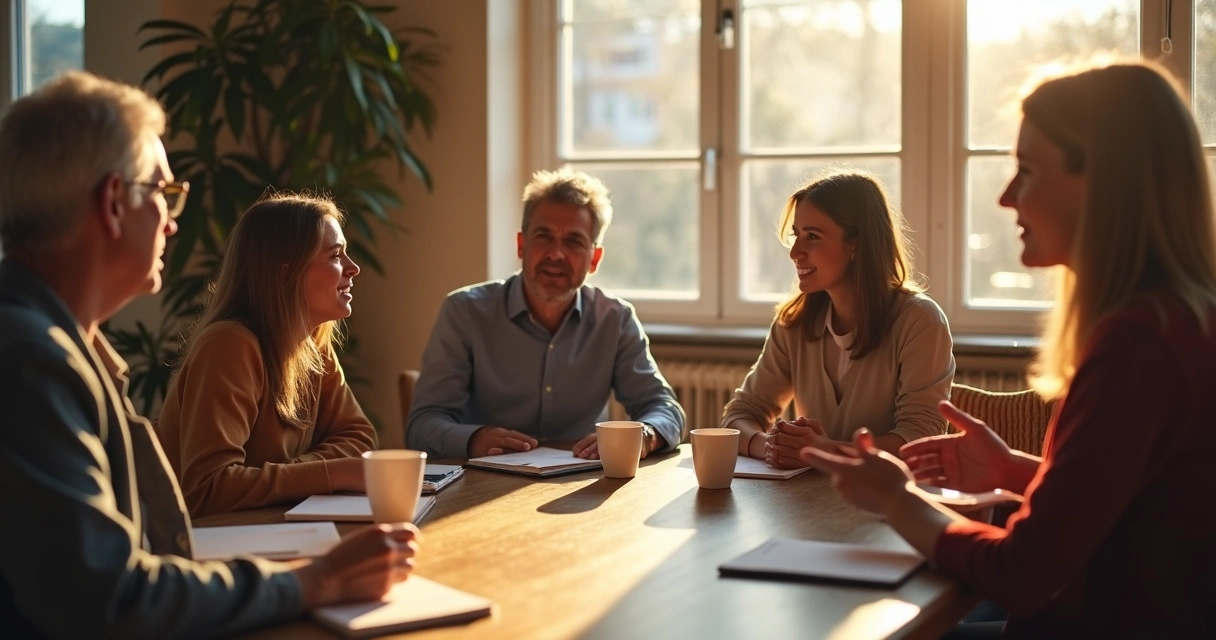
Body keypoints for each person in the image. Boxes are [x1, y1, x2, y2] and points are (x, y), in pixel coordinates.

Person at [800, 61, 1216, 638]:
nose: (1005, 197)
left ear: (1104, 183)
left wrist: (895, 500)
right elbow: (1141, 509)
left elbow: (1021, 572)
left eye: (1026, 171)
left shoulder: (1138, 348)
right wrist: (1018, 472)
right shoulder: (1182, 320)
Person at [0, 72, 417, 637]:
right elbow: (109, 598)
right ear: (114, 203)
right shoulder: (32, 361)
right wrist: (311, 582)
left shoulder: (64, 347)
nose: (173, 222)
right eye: (164, 194)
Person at [406, 168, 685, 460]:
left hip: (576, 487)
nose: (556, 254)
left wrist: (645, 435)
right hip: (479, 483)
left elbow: (665, 409)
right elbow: (421, 427)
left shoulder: (615, 319)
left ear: (595, 259)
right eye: (543, 236)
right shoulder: (465, 312)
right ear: (521, 245)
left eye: (574, 241)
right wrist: (474, 439)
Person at [155, 194, 377, 518]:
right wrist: (332, 473)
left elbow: (360, 438)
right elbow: (207, 487)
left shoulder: (312, 343)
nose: (354, 268)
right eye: (335, 256)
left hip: (265, 529)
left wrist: (292, 473)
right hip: (202, 546)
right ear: (287, 274)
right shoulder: (229, 344)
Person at [722, 171, 954, 466]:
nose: (795, 252)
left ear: (856, 244)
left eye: (813, 237)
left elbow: (918, 439)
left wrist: (822, 452)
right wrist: (770, 446)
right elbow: (738, 416)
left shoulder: (920, 321)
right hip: (809, 503)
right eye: (796, 235)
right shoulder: (794, 322)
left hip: (891, 504)